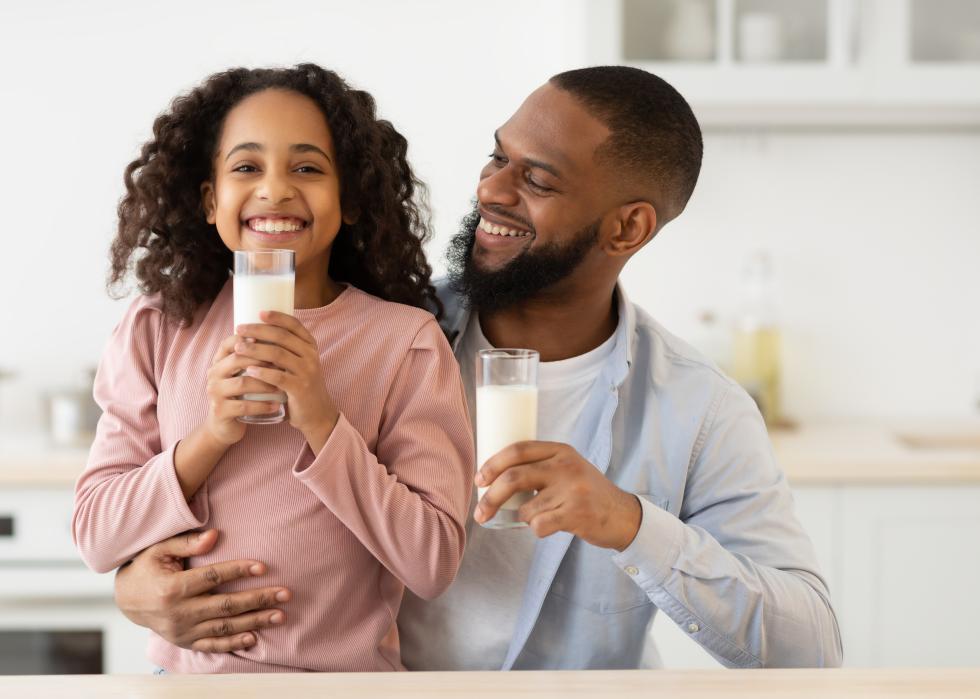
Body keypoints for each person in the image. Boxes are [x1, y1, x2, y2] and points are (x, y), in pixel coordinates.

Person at [111, 66, 843, 670]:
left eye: (538, 179)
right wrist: (134, 587)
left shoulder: (697, 408)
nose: (492, 190)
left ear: (628, 226)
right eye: (498, 157)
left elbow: (810, 646)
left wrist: (629, 523)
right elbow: (227, 513)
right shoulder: (392, 336)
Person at [72, 64, 473, 673]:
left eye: (308, 168)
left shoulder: (405, 343)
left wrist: (321, 418)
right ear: (211, 200)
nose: (276, 189)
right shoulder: (160, 326)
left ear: (352, 200)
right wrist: (212, 436)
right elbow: (98, 535)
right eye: (246, 167)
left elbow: (433, 563)